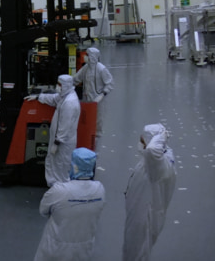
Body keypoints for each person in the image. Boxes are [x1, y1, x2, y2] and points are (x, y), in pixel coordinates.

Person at [34, 147, 106, 261]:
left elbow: (43, 210)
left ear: (74, 166)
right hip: (83, 251)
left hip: (55, 250)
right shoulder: (99, 190)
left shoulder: (59, 190)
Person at [123, 124, 176, 261]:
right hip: (139, 214)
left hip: (145, 218)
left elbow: (152, 150)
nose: (140, 144)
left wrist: (161, 136)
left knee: (138, 254)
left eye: (142, 141)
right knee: (132, 252)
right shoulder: (153, 161)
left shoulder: (158, 165)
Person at [34, 74, 81, 187]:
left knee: (61, 167)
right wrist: (38, 97)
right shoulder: (65, 95)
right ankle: (54, 188)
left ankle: (61, 191)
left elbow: (65, 126)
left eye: (60, 85)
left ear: (65, 85)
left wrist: (57, 142)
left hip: (63, 143)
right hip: (58, 140)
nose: (58, 86)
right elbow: (54, 99)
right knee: (53, 164)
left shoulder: (69, 102)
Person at [73, 47, 114, 133]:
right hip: (87, 100)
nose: (85, 57)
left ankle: (96, 141)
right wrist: (66, 84)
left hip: (98, 101)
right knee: (87, 121)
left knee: (97, 123)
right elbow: (76, 79)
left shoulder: (101, 69)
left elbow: (110, 83)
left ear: (92, 56)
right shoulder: (86, 68)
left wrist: (102, 94)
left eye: (87, 55)